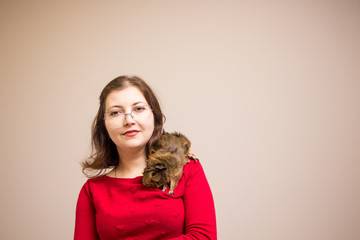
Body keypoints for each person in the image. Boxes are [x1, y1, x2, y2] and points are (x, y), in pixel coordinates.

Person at [74, 75, 217, 240]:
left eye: (138, 109)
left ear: (154, 115)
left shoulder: (186, 168)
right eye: (115, 112)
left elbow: (204, 237)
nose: (129, 120)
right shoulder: (92, 190)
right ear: (104, 124)